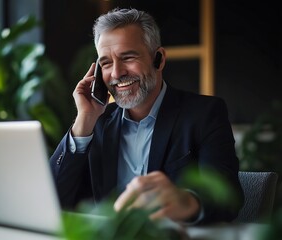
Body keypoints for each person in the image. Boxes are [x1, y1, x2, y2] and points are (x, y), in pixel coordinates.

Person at [49, 8, 244, 225]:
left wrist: (186, 203)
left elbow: (227, 197)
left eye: (128, 57)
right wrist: (84, 120)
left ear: (158, 59)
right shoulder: (96, 123)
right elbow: (50, 200)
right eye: (106, 63)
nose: (116, 73)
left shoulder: (205, 114)